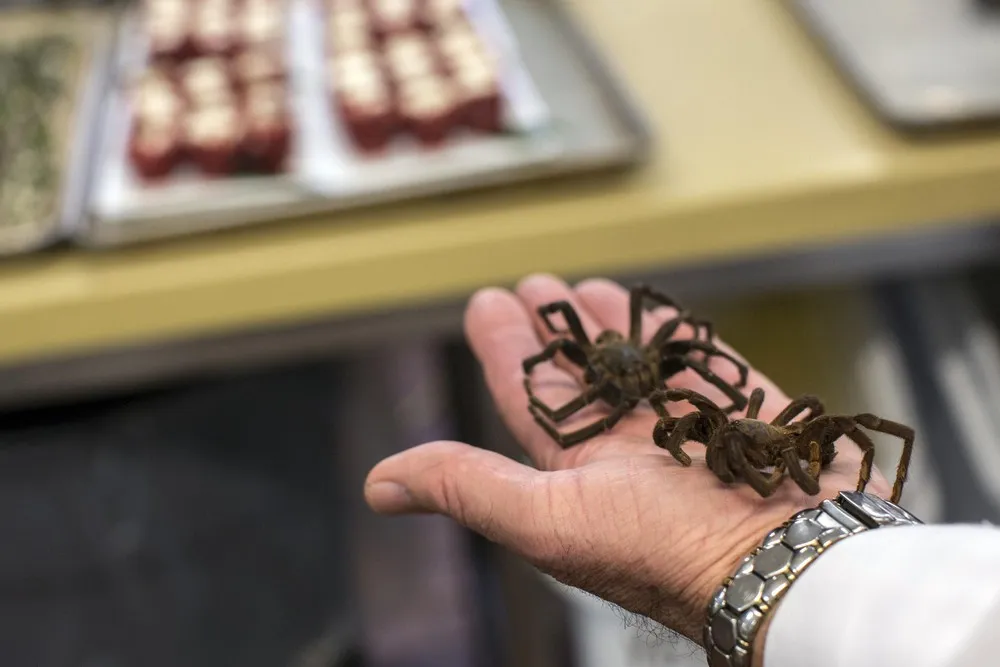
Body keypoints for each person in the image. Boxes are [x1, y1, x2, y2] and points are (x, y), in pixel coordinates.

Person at [363, 274, 1000, 667]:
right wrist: (671, 452)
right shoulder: (708, 424)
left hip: (769, 438)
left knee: (854, 421)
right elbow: (683, 414)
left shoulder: (785, 434)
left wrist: (864, 501)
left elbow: (865, 436)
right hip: (733, 430)